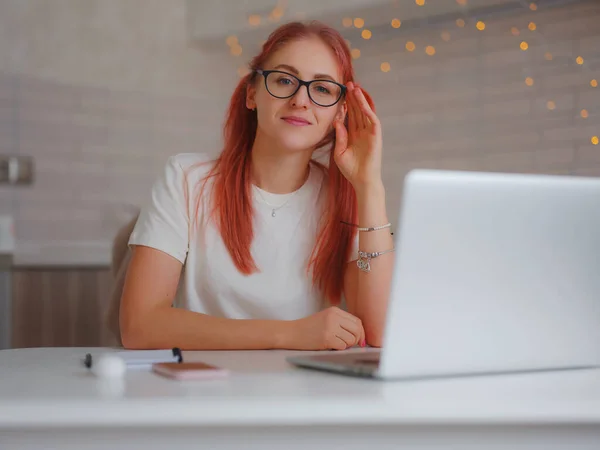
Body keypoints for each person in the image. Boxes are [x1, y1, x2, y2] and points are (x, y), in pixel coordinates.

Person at [119, 20, 394, 351]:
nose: (301, 100)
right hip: (204, 393)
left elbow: (381, 334)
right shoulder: (185, 178)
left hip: (312, 396)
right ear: (252, 93)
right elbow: (140, 325)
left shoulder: (347, 198)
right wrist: (289, 334)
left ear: (340, 112)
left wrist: (369, 186)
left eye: (322, 88)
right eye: (284, 80)